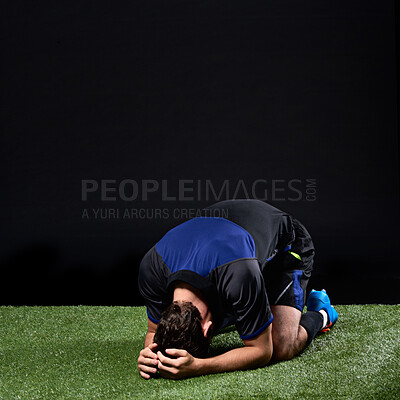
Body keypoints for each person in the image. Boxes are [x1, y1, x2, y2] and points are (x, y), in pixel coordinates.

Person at [137, 199, 338, 380]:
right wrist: (150, 353)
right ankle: (254, 311)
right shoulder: (151, 270)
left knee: (281, 347)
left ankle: (322, 313)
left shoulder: (238, 274)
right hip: (232, 246)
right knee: (233, 303)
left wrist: (200, 366)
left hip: (285, 245)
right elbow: (153, 331)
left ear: (208, 331)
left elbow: (262, 351)